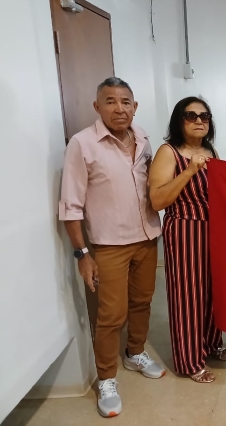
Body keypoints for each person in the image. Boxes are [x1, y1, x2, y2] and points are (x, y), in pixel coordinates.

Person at [59, 77, 164, 418]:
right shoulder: (82, 144)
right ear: (97, 106)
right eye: (110, 101)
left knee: (142, 302)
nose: (119, 108)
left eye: (125, 102)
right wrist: (82, 254)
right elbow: (70, 205)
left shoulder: (143, 137)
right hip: (109, 246)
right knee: (111, 315)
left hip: (147, 238)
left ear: (135, 106)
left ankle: (135, 352)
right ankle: (106, 378)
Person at [148, 97, 226, 384]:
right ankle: (190, 360)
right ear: (178, 121)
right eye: (191, 115)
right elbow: (158, 200)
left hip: (213, 230)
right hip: (184, 229)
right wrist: (190, 171)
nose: (199, 121)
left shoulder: (210, 150)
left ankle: (211, 342)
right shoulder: (168, 152)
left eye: (204, 116)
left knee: (212, 292)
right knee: (188, 296)